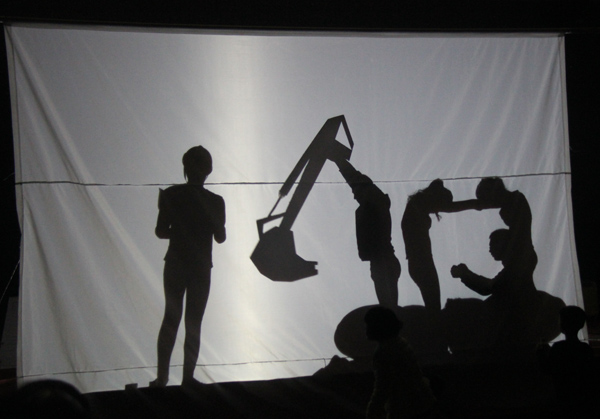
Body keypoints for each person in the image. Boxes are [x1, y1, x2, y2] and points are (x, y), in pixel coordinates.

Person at [151, 146, 226, 387]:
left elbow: (161, 231)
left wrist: (182, 229)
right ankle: (174, 378)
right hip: (192, 264)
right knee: (184, 321)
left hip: (187, 263)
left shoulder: (176, 195)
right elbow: (221, 236)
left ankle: (173, 378)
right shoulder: (212, 200)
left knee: (179, 320)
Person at [401, 179, 481, 313]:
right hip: (421, 261)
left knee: (433, 306)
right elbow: (452, 207)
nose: (440, 208)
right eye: (443, 203)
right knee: (434, 308)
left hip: (420, 261)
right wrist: (477, 204)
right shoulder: (419, 203)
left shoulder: (416, 205)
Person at [333, 157, 400, 307]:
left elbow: (355, 179)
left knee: (389, 308)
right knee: (387, 307)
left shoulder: (377, 203)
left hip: (384, 261)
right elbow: (356, 182)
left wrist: (339, 161)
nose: (354, 196)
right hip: (380, 261)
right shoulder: (373, 206)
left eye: (357, 192)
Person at [364, 306, 440, 419]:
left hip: (406, 410)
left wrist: (371, 412)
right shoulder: (400, 342)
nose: (366, 329)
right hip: (422, 404)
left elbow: (382, 388)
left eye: (368, 325)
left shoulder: (383, 352)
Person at [540, 305, 595, 417]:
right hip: (583, 400)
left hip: (563, 398)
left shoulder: (558, 348)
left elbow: (548, 369)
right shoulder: (586, 349)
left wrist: (540, 353)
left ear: (562, 325)